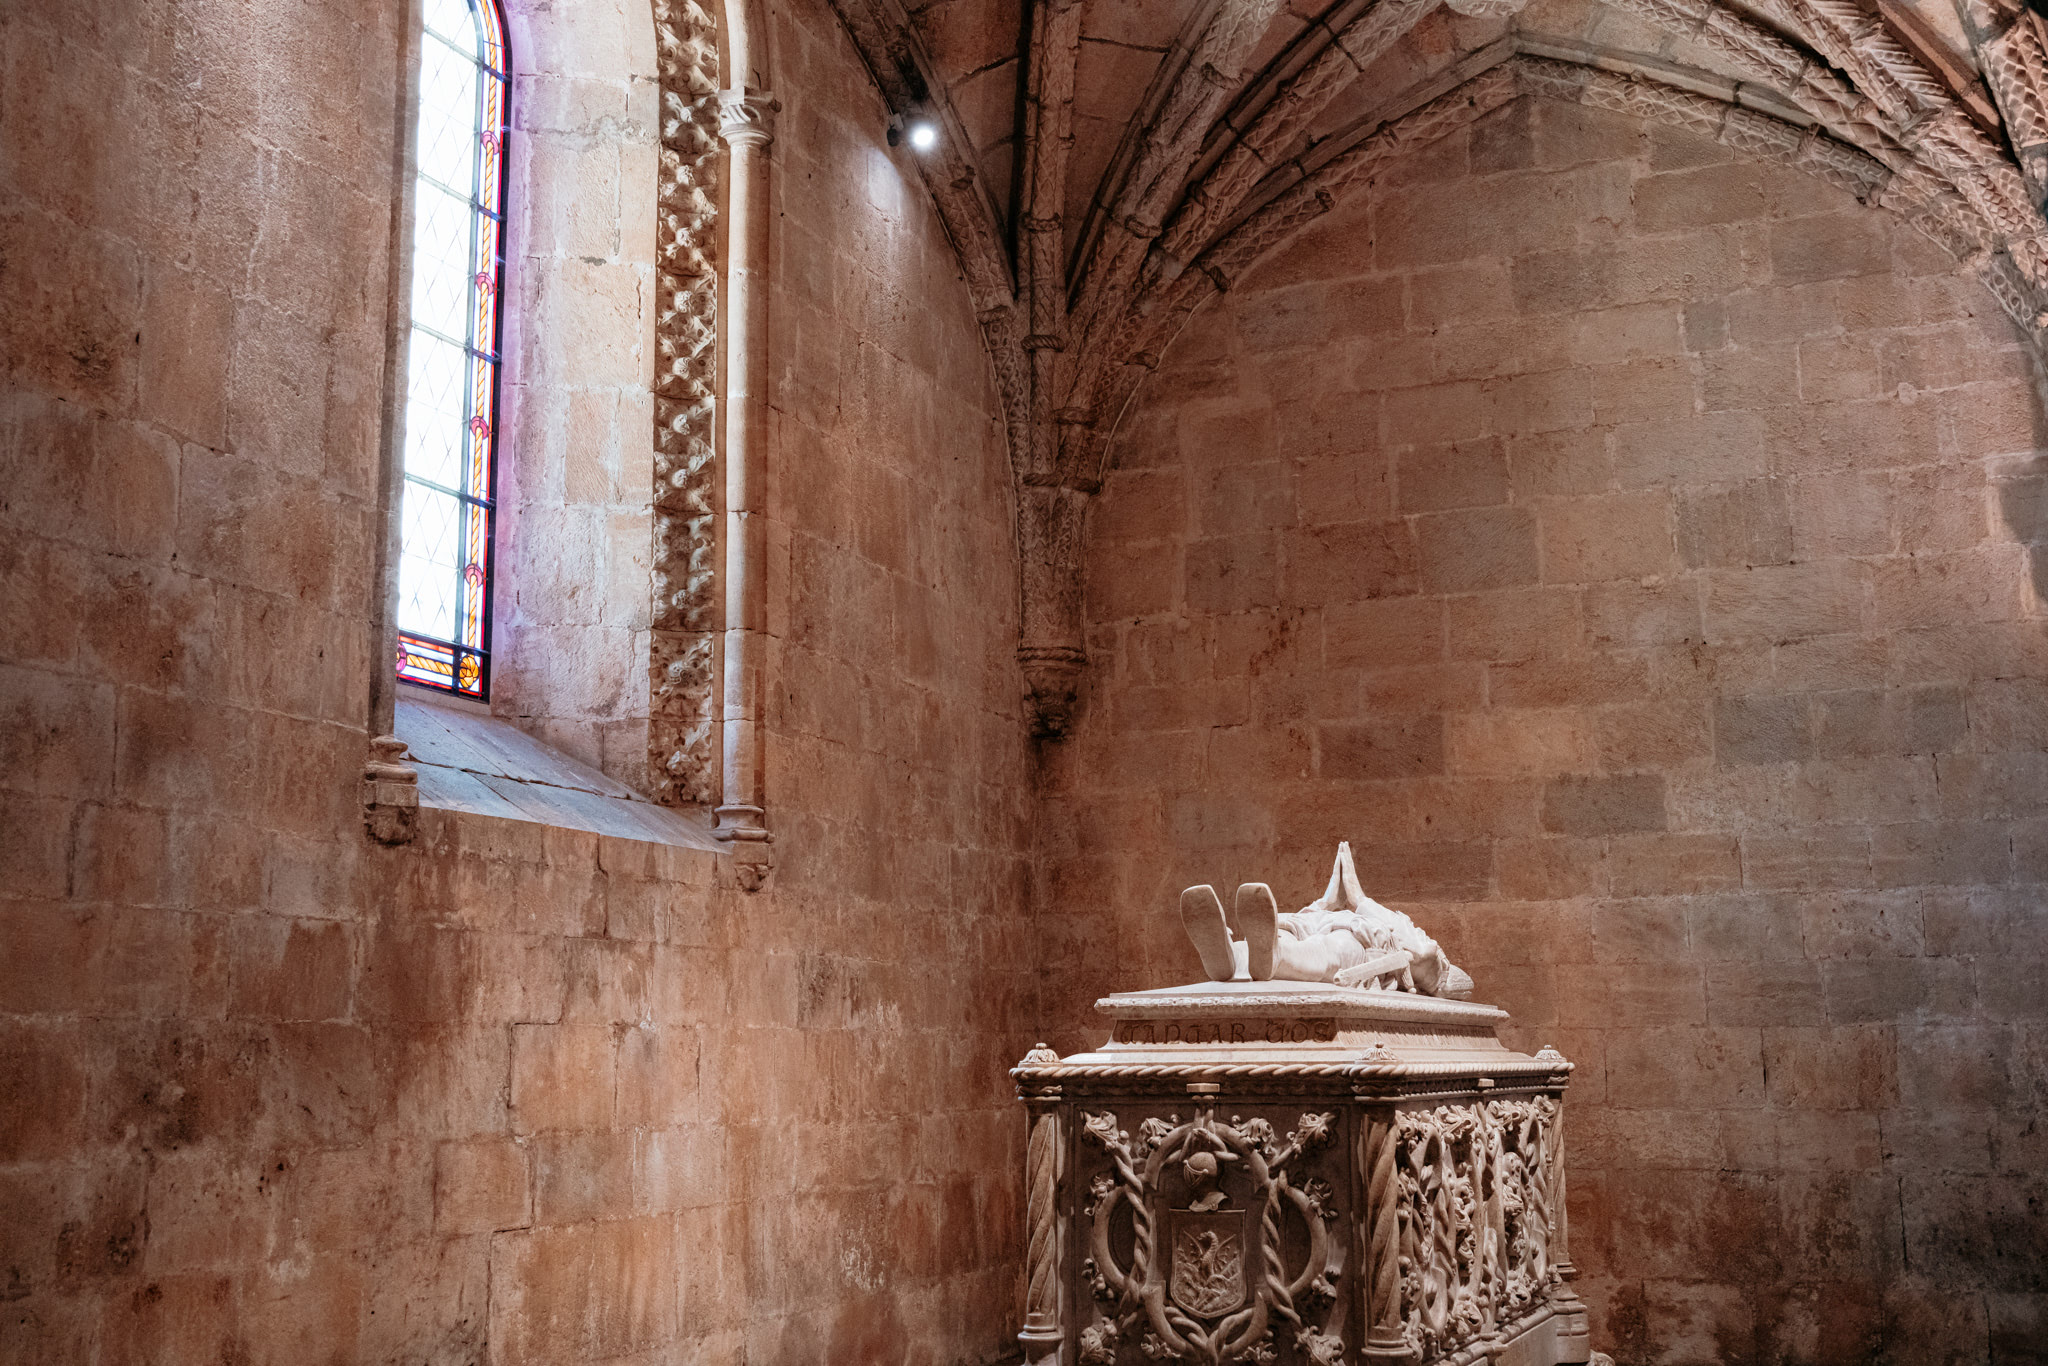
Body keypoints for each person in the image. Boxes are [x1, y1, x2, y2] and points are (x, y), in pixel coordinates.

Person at [1180, 842, 1472, 998]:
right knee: (1281, 931)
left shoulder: (1430, 956)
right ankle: (1229, 955)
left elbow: (1428, 963)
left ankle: (1253, 955)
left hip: (1362, 941)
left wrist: (1360, 900)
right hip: (1325, 920)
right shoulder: (1414, 937)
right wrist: (1326, 902)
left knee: (1325, 950)